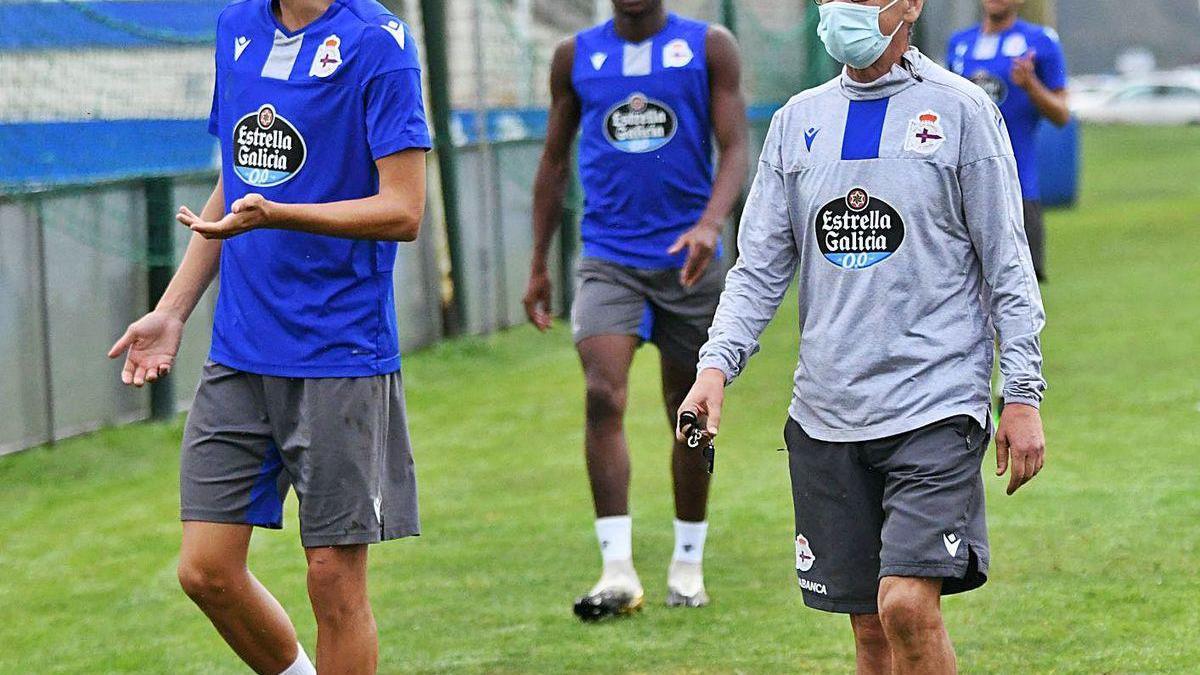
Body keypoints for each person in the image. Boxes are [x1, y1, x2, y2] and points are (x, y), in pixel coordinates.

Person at [679, 0, 1047, 672]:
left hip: (936, 406)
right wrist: (714, 370)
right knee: (871, 632)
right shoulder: (797, 122)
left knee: (906, 603)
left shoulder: (961, 111)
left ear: (909, 5)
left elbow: (1007, 264)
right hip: (827, 415)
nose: (841, 7)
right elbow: (759, 266)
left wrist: (1021, 391)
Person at [107, 0, 431, 671]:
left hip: (340, 352)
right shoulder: (236, 27)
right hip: (240, 351)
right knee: (205, 570)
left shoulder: (379, 43)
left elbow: (403, 208)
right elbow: (238, 178)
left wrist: (282, 214)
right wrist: (173, 310)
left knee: (334, 582)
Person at [522, 0, 747, 619]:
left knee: (688, 413)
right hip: (608, 258)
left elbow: (733, 148)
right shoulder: (575, 56)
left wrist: (709, 224)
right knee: (603, 394)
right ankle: (616, 568)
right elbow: (553, 160)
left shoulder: (709, 47)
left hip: (687, 261)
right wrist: (539, 262)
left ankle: (688, 562)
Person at [947, 0, 1070, 281]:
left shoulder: (1040, 41)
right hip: (963, 189)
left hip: (1018, 187)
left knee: (1019, 291)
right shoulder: (959, 43)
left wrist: (1031, 85)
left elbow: (1062, 114)